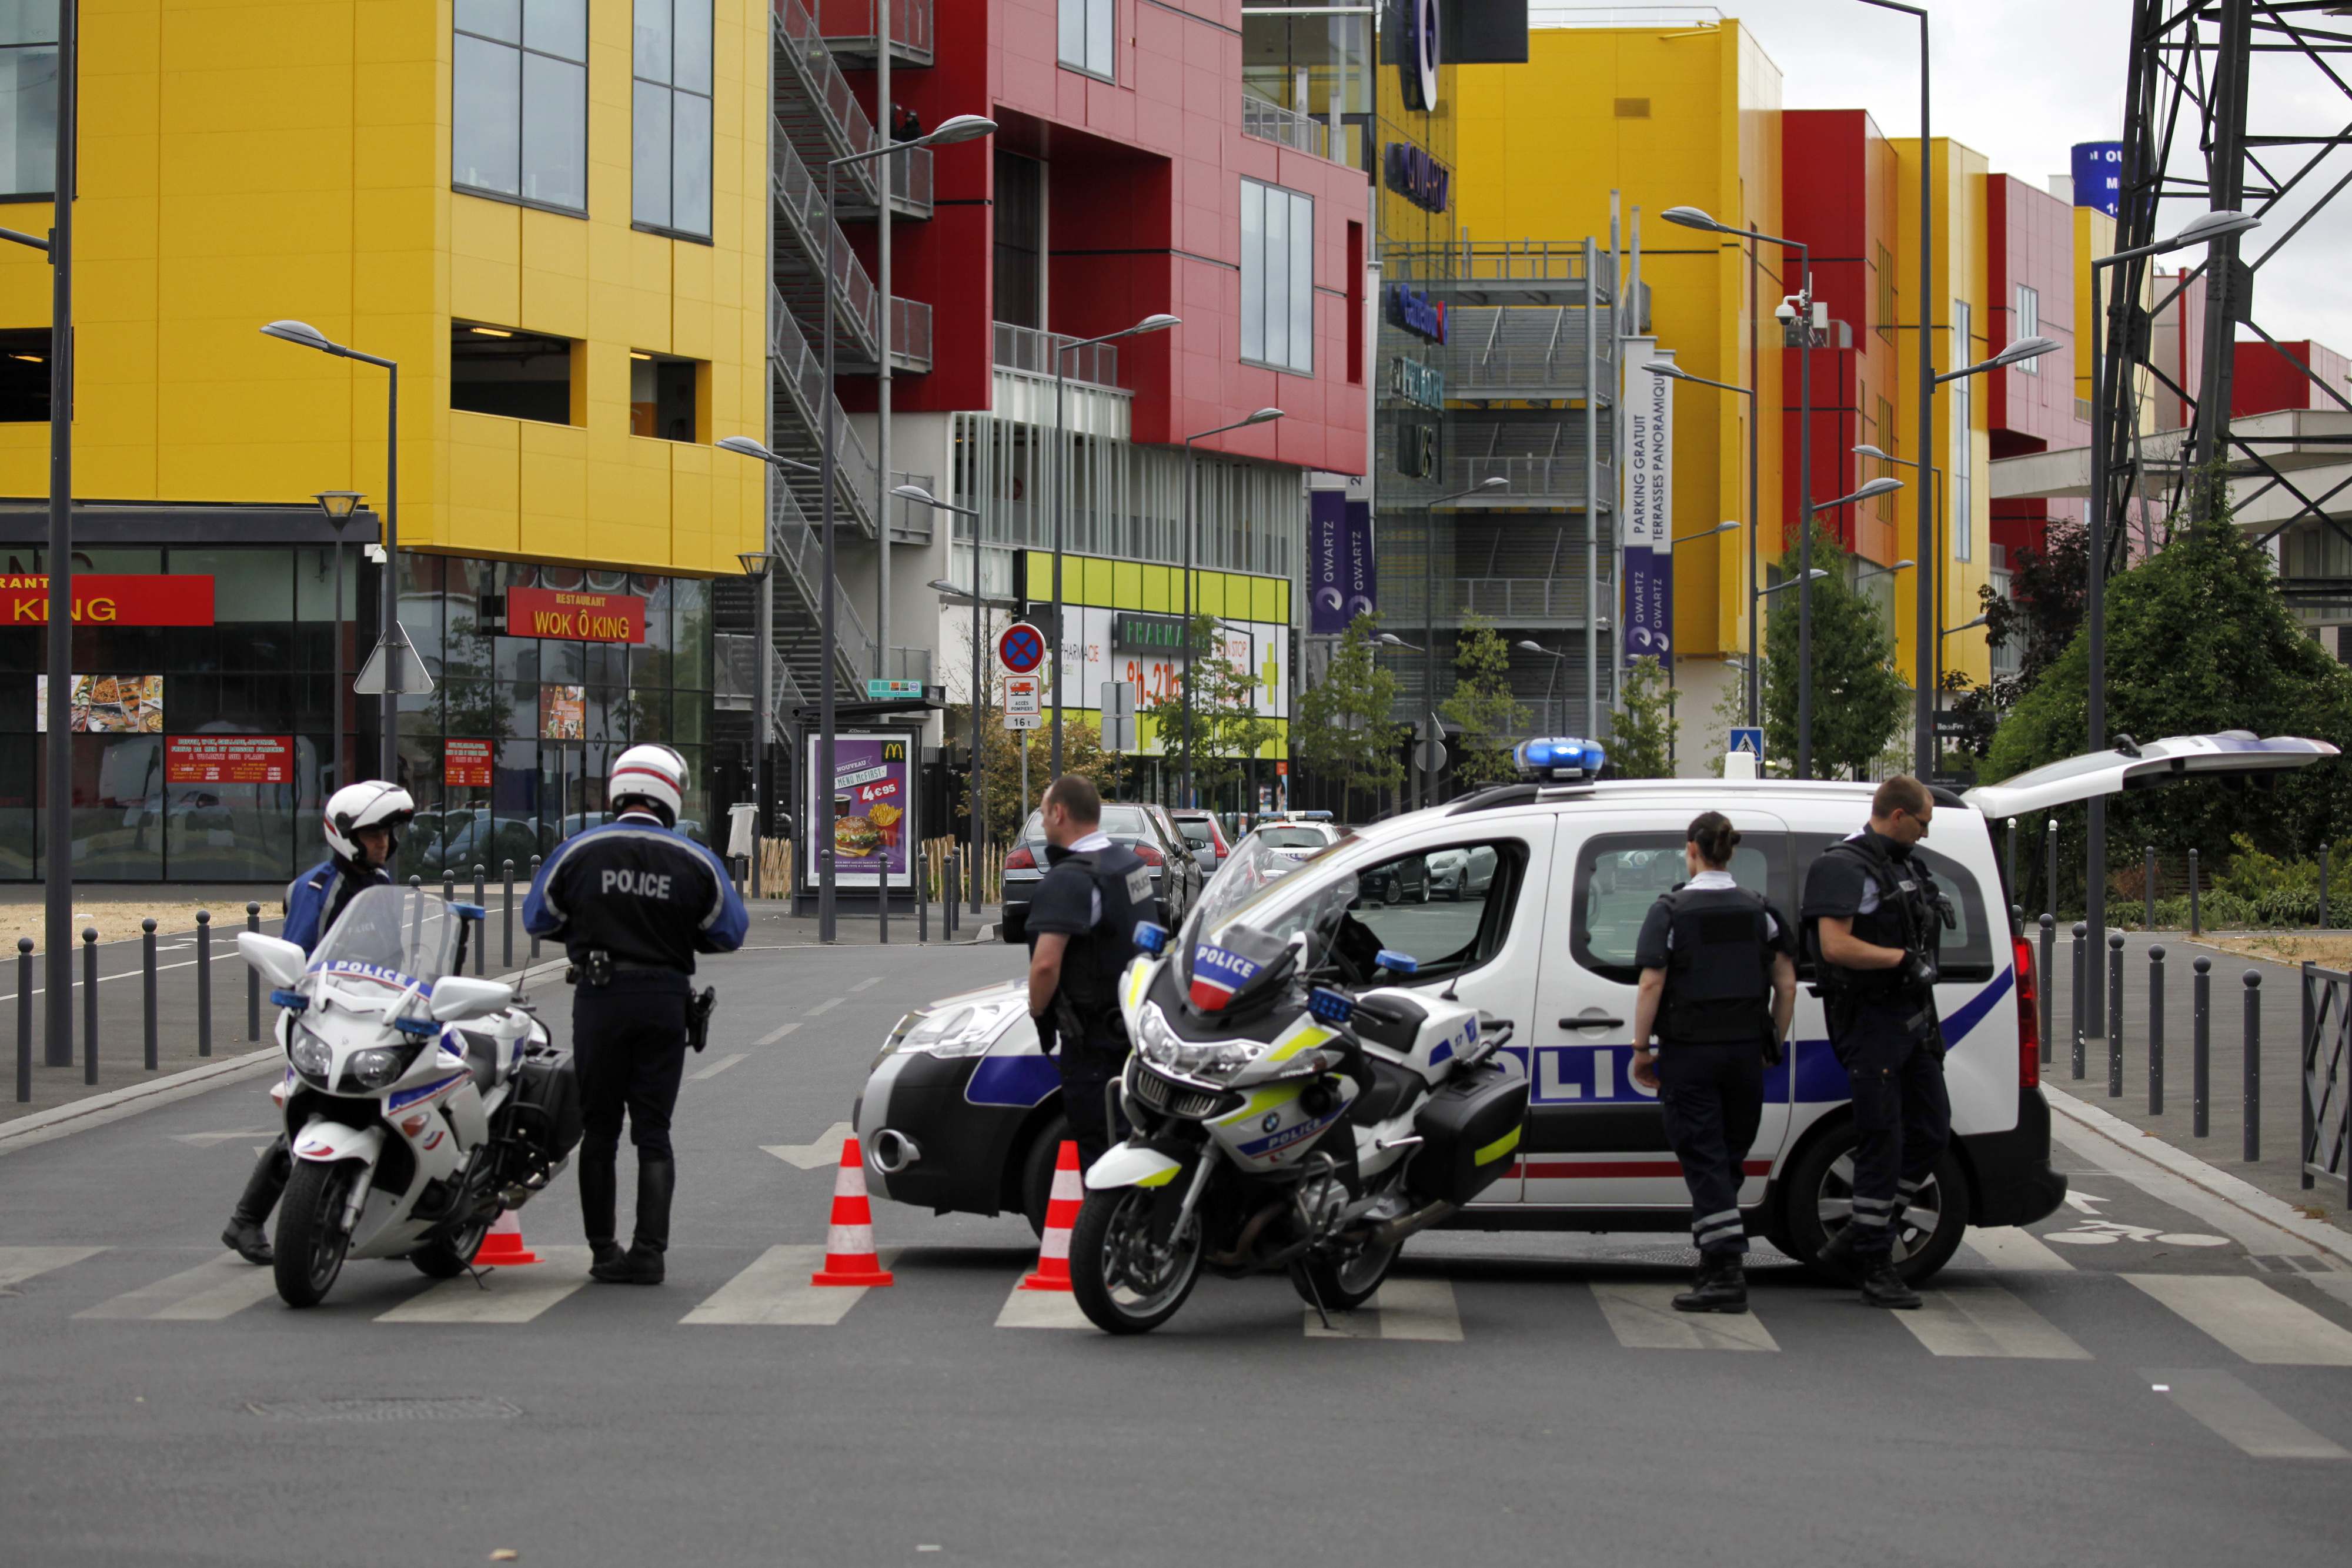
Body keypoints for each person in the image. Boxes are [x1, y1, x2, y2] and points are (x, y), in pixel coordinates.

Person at [524, 744, 746, 1285]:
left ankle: (603, 1252)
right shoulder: (694, 859)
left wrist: (587, 928)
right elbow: (729, 930)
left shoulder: (579, 850)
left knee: (599, 1129)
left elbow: (538, 917)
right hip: (665, 999)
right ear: (670, 795)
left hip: (600, 999)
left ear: (618, 791)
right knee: (654, 1129)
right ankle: (649, 1252)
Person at [220, 780, 415, 1265]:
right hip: (323, 1023)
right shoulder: (318, 889)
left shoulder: (380, 885)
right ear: (345, 835)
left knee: (384, 1110)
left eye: (388, 833)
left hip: (371, 1019)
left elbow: (392, 957)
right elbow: (299, 961)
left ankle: (387, 1221)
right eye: (373, 834)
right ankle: (247, 1219)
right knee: (313, 1116)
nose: (383, 843)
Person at [1629, 813, 1796, 1314]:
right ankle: (1711, 1263)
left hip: (1691, 1054)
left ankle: (1725, 1272)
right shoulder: (1760, 910)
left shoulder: (1671, 910)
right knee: (1725, 1159)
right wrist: (1774, 1041)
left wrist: (1641, 1049)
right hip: (1745, 1052)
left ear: (1692, 850)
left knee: (1704, 1159)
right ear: (1730, 853)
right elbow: (1786, 984)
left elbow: (1651, 983)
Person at [1800, 775, 1950, 1310]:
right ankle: (1875, 1262)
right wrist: (1900, 961)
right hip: (1869, 1023)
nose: (1925, 833)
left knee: (1931, 1131)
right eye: (1922, 822)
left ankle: (1858, 1236)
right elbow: (1835, 946)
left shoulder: (1905, 864)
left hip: (1913, 1021)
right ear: (1896, 816)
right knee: (1880, 1138)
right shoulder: (1841, 865)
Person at [1024, 775, 1151, 1169]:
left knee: (1099, 1153)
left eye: (1044, 814)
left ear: (1060, 813)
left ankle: (1106, 1232)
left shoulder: (1071, 877)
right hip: (1132, 1032)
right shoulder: (1127, 863)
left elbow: (1045, 964)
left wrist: (1037, 1011)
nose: (1043, 824)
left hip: (1093, 1041)